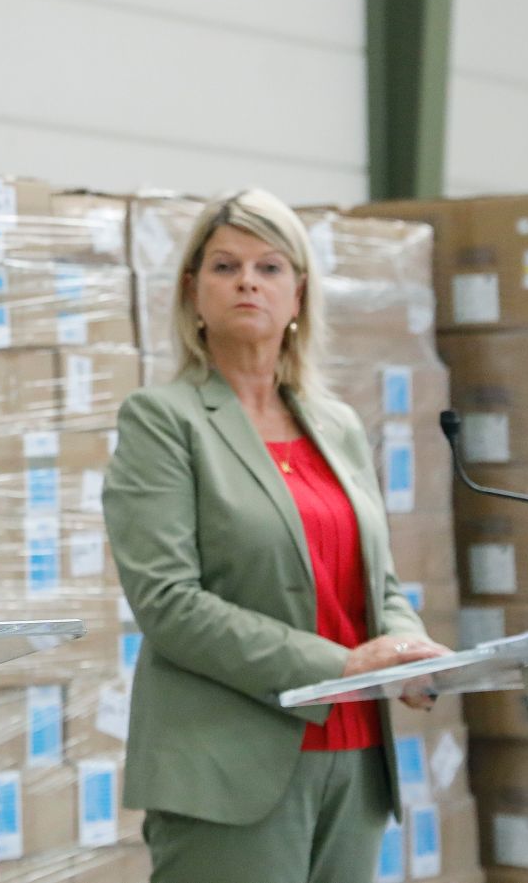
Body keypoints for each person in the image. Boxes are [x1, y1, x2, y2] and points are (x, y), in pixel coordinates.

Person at [102, 189, 449, 883]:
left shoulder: (336, 424)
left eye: (269, 267)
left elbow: (376, 582)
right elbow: (169, 604)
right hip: (228, 768)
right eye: (225, 266)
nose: (248, 282)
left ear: (300, 294)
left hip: (356, 762)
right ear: (192, 291)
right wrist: (341, 666)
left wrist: (407, 650)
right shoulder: (163, 420)